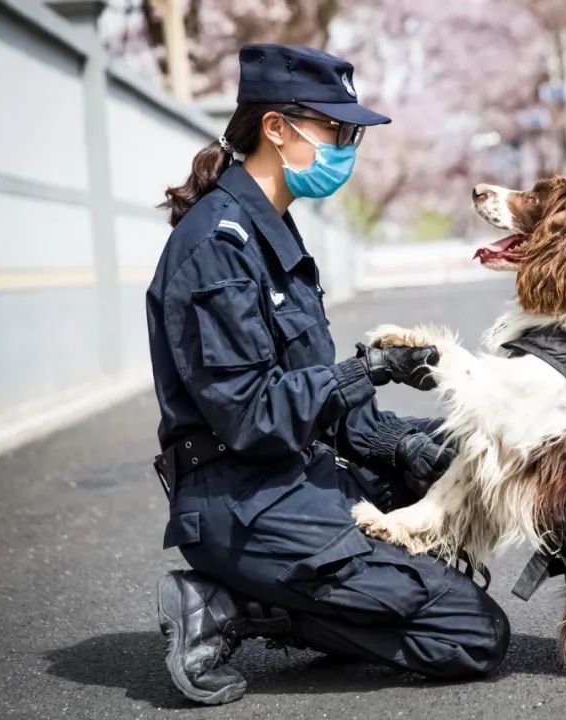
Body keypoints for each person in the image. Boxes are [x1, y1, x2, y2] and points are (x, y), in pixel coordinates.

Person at [145, 44, 509, 705]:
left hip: (291, 474)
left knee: (460, 460)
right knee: (470, 633)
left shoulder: (271, 230)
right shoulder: (216, 248)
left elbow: (326, 406)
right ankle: (229, 604)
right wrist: (367, 369)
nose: (347, 145)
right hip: (242, 500)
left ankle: (292, 596)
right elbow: (252, 414)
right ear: (276, 128)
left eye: (351, 133)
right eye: (334, 129)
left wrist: (401, 444)